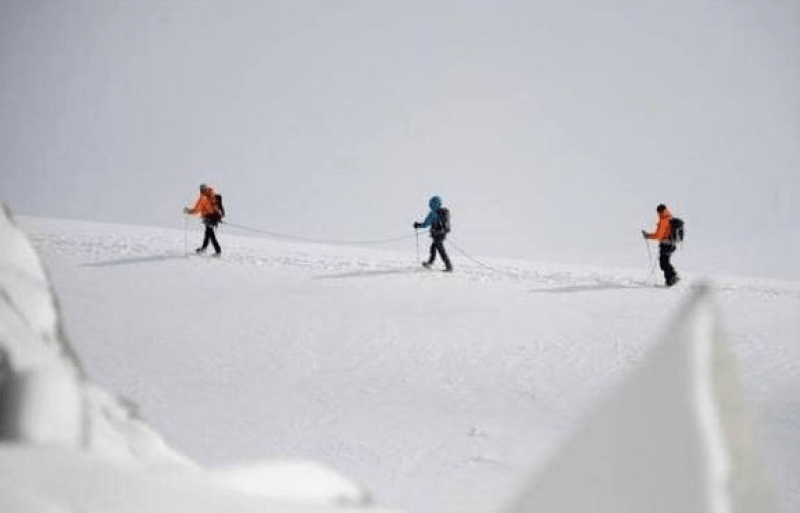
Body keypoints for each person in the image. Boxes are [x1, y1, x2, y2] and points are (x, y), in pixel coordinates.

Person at [642, 203, 679, 287]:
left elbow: (659, 235)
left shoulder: (663, 220)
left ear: (659, 211)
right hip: (671, 244)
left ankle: (671, 280)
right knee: (666, 262)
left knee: (664, 263)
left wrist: (648, 236)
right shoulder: (669, 218)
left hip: (666, 244)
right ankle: (673, 277)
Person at [413, 195, 453, 272]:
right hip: (442, 234)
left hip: (436, 234)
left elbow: (425, 224)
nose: (430, 205)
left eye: (431, 203)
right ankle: (430, 263)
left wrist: (418, 225)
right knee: (433, 248)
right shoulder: (443, 212)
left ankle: (449, 267)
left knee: (440, 250)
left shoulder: (433, 213)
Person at [183, 183, 223, 256]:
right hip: (214, 218)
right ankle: (204, 248)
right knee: (208, 233)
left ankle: (218, 251)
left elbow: (196, 209)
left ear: (201, 190)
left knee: (210, 234)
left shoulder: (203, 197)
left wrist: (189, 211)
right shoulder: (212, 195)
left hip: (208, 218)